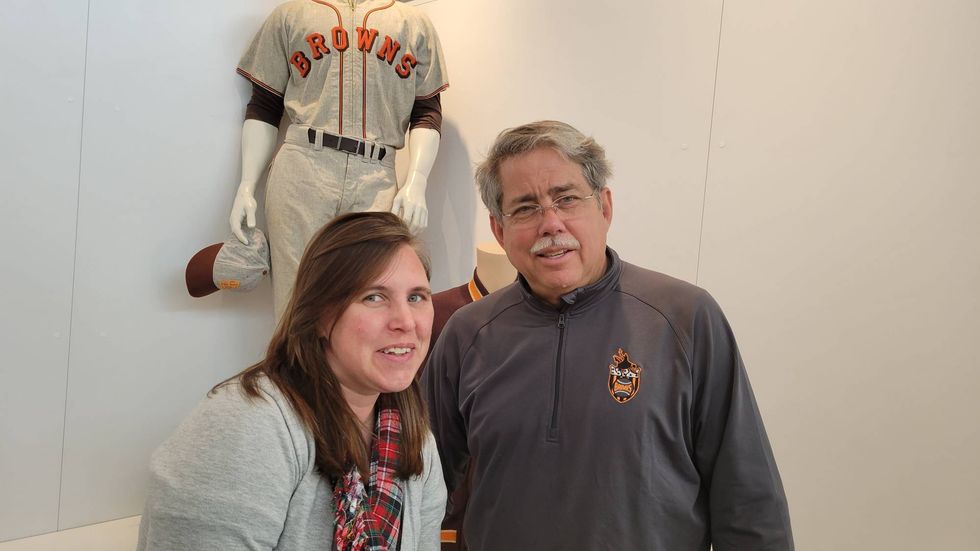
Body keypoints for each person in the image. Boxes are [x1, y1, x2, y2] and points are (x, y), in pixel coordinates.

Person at [424, 121, 794, 550]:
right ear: (499, 230)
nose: (550, 223)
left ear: (604, 208)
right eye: (525, 208)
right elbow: (419, 489)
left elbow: (749, 503)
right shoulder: (466, 334)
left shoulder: (687, 318)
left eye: (567, 199)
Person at [138, 212, 447, 550]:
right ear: (319, 317)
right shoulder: (247, 426)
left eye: (416, 297)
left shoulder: (416, 440)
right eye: (374, 297)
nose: (405, 321)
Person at [229, 0, 450, 320]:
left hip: (377, 175)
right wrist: (246, 185)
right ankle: (295, 372)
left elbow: (427, 112)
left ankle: (353, 373)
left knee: (370, 295)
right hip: (303, 168)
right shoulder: (291, 14)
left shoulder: (412, 22)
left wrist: (417, 182)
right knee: (296, 301)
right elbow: (264, 106)